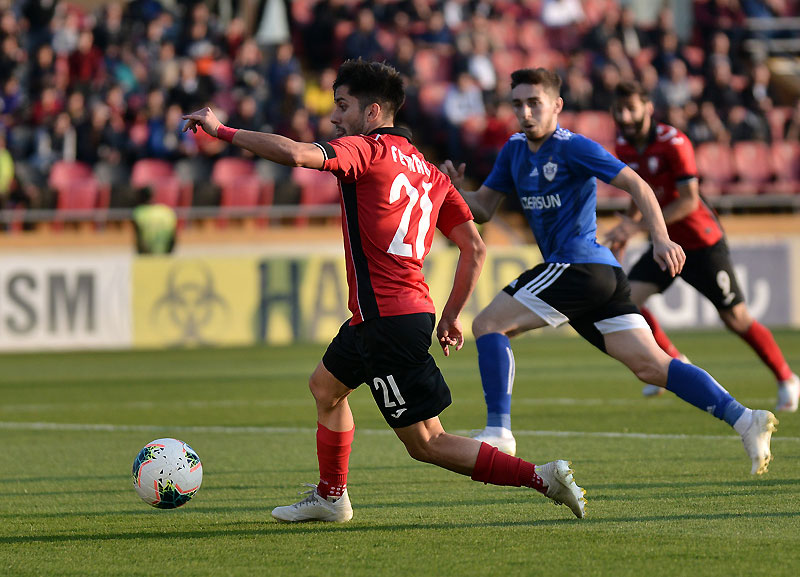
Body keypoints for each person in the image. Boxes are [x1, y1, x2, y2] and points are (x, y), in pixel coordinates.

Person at [182, 60, 587, 522]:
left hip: (387, 322)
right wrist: (453, 314)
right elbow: (474, 246)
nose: (335, 117)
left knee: (427, 443)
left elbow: (296, 155)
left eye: (343, 106)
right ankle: (331, 497)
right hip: (387, 315)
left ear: (373, 112)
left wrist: (221, 130)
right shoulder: (430, 172)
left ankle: (542, 477)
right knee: (325, 388)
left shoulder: (366, 151)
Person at [440, 68, 777, 476]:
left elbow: (639, 185)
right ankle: (745, 419)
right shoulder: (513, 150)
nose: (525, 112)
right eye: (517, 104)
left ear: (557, 106)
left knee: (490, 323)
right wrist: (455, 190)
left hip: (578, 267)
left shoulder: (573, 147)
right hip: (597, 277)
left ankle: (499, 432)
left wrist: (660, 237)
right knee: (652, 366)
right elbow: (486, 208)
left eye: (534, 103)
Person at [605, 80, 798, 410]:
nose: (624, 116)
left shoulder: (674, 142)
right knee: (627, 300)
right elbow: (640, 191)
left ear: (648, 108)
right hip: (666, 244)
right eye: (619, 109)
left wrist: (636, 226)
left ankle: (786, 378)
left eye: (630, 109)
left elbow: (689, 203)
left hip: (701, 243)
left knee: (735, 319)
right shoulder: (623, 145)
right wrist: (627, 225)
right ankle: (675, 362)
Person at [132, 186, 177, 255]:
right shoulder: (167, 212)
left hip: (147, 257)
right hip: (165, 257)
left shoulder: (139, 213)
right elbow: (173, 240)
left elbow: (139, 240)